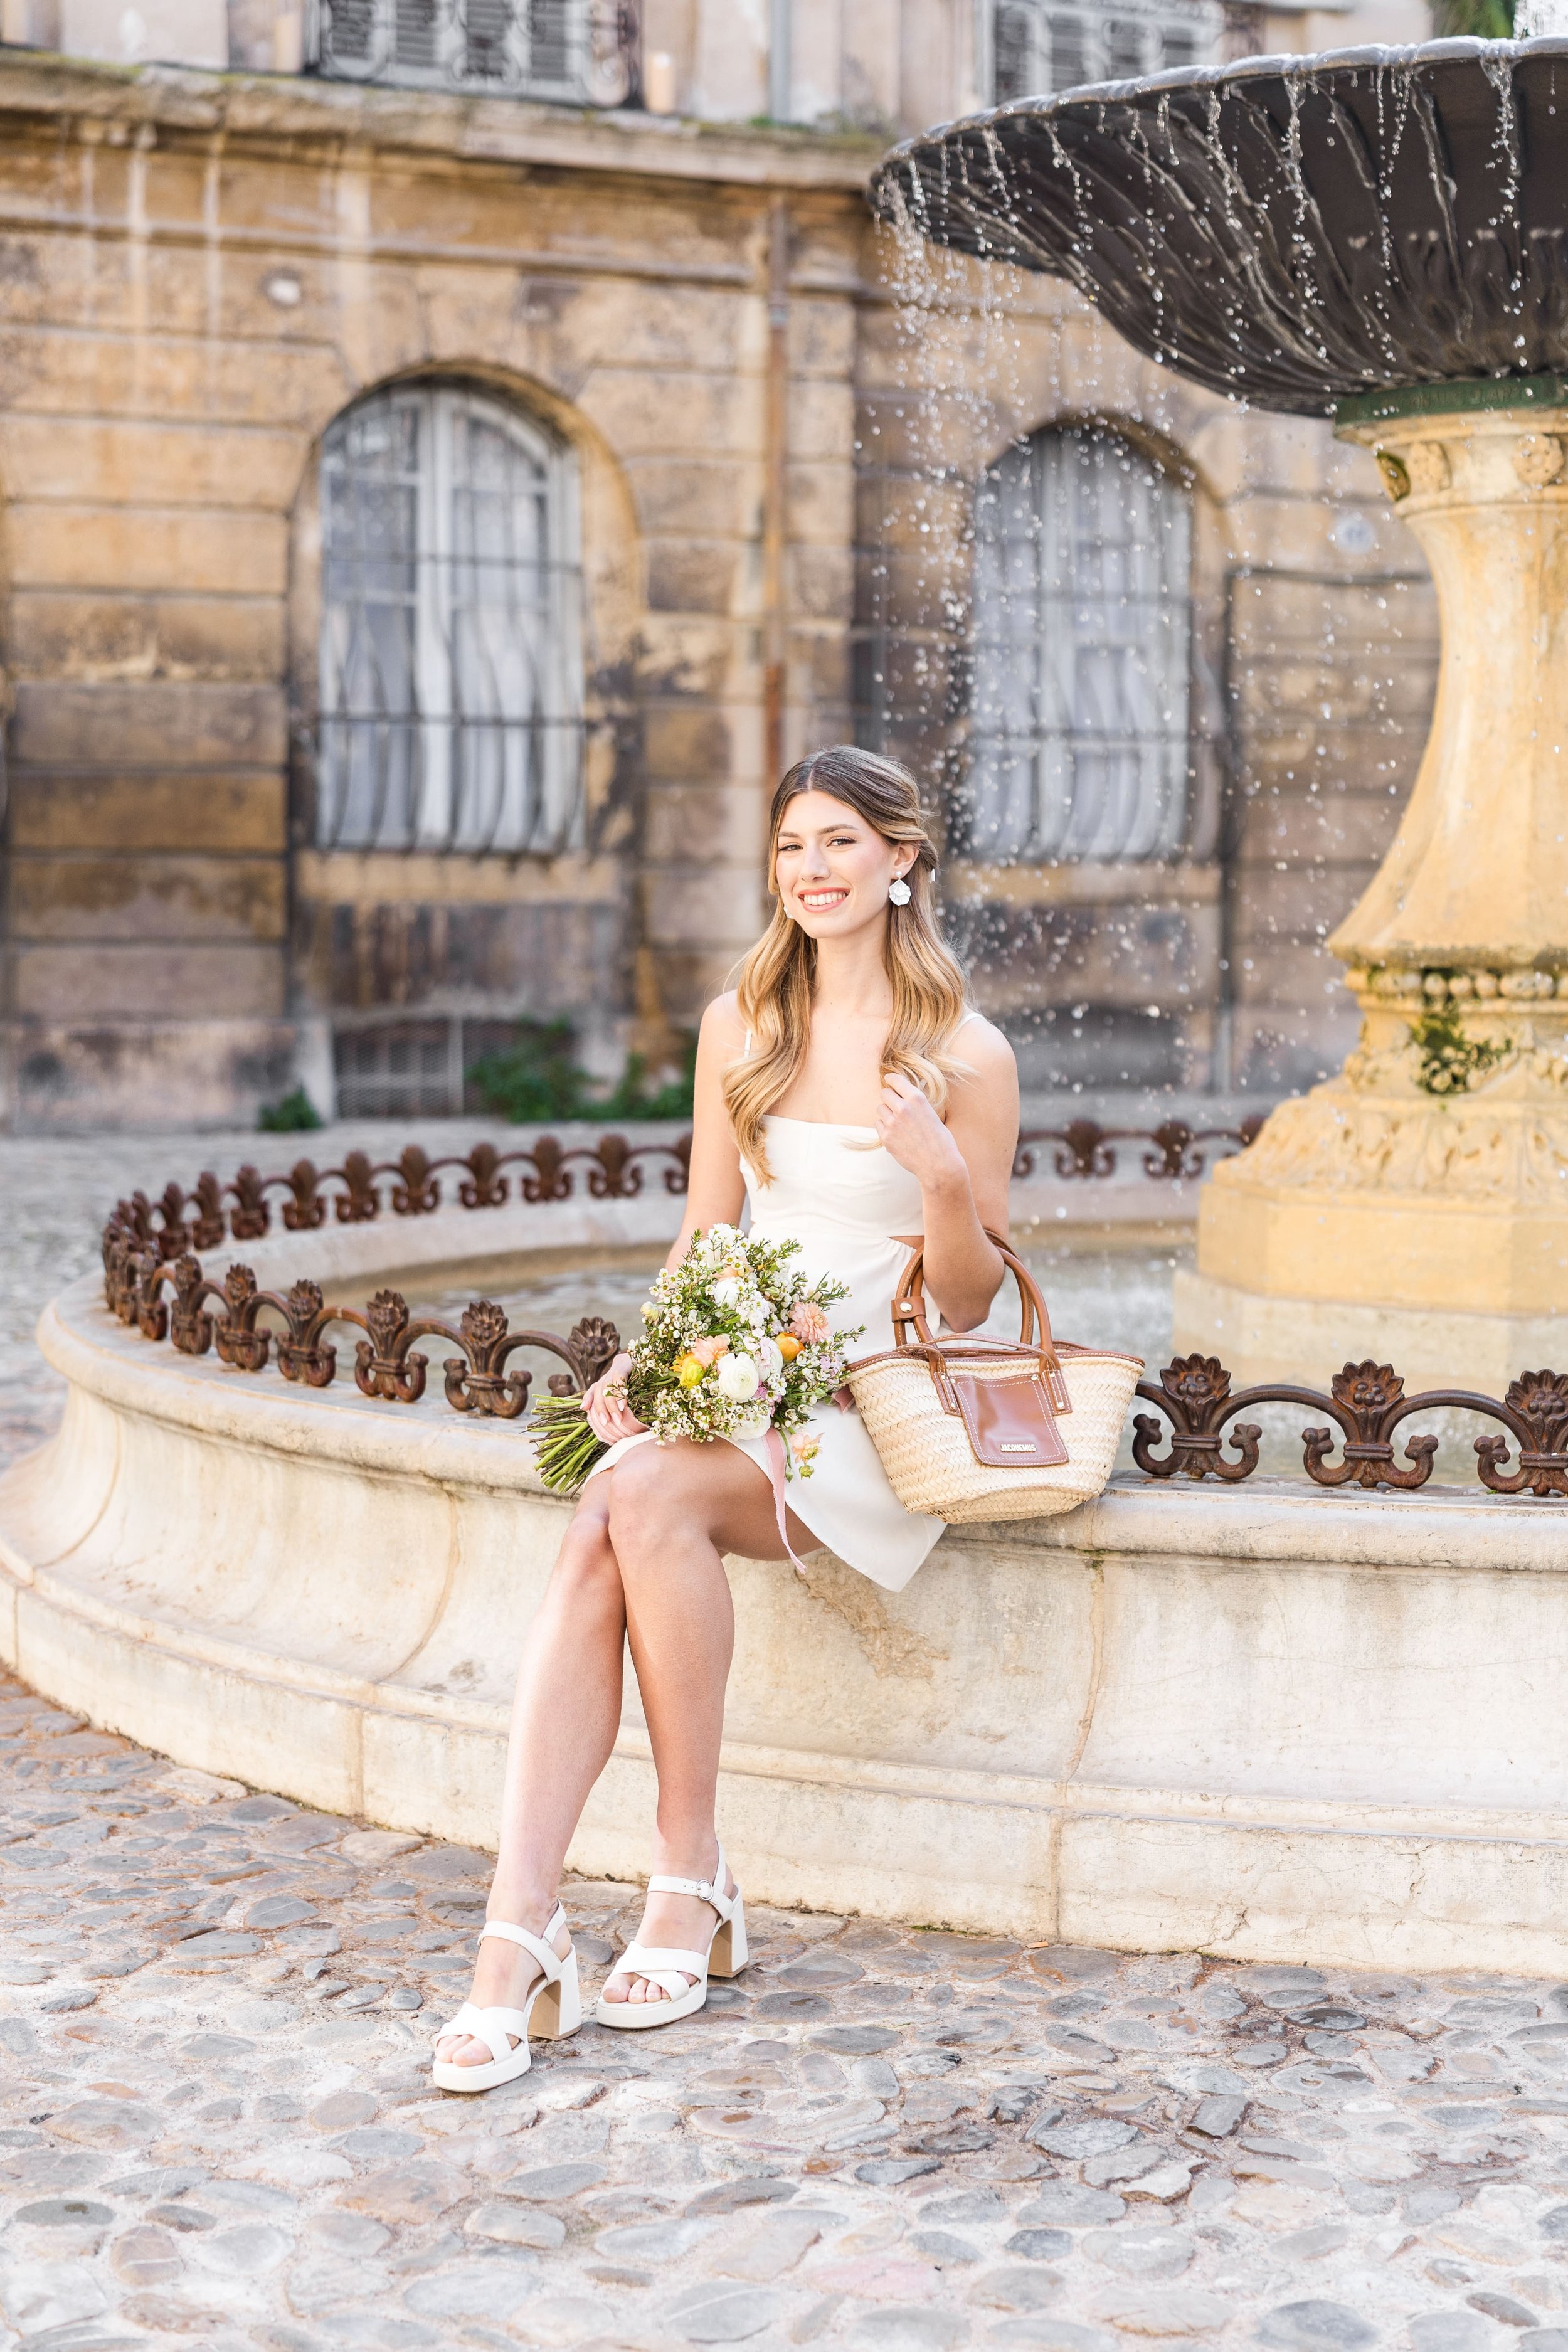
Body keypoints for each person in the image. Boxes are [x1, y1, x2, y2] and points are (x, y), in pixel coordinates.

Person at [432, 746, 1019, 2089]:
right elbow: (708, 1232)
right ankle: (536, 1924)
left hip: (871, 1399)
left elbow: (971, 1296)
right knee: (611, 1503)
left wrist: (938, 1176)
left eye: (840, 842)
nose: (811, 869)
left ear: (901, 859)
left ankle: (657, 1886)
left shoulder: (966, 1054)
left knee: (627, 1501)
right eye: (791, 844)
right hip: (749, 1370)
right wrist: (657, 1369)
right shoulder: (739, 1025)